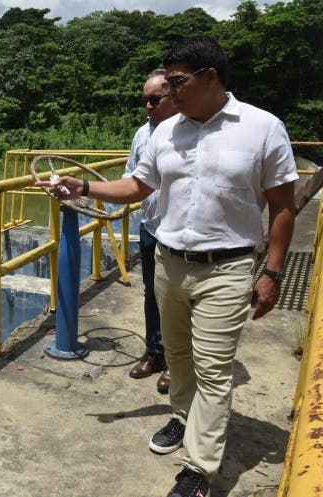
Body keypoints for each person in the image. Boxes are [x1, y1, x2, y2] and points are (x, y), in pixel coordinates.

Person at [37, 36, 297, 497]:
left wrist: (272, 272)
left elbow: (282, 207)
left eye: (177, 82)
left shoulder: (262, 128)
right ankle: (181, 417)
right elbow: (138, 187)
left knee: (213, 369)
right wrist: (82, 188)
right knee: (177, 359)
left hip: (229, 266)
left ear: (210, 77)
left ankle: (197, 470)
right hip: (168, 262)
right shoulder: (166, 131)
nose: (168, 93)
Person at [125, 69, 178, 394]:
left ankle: (176, 362)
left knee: (176, 297)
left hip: (178, 231)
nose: (148, 105)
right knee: (151, 294)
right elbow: (131, 174)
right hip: (150, 225)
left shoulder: (186, 131)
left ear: (172, 96)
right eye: (144, 100)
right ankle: (155, 353)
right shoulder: (141, 135)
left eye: (154, 99)